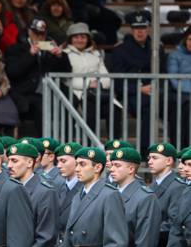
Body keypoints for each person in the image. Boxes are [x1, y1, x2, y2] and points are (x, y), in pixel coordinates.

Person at [4, 18, 70, 133]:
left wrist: (59, 56)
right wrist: (30, 54)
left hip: (50, 90)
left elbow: (67, 71)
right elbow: (12, 72)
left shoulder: (50, 47)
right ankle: (45, 143)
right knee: (42, 104)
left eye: (42, 34)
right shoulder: (16, 48)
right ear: (29, 32)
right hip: (25, 93)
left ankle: (67, 140)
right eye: (36, 33)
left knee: (69, 98)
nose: (39, 37)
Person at [108, 10, 156, 152]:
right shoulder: (120, 50)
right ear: (131, 29)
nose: (139, 32)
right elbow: (117, 80)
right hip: (131, 93)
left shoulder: (155, 48)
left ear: (148, 29)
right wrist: (139, 89)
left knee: (177, 104)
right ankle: (145, 150)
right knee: (147, 106)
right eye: (136, 28)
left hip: (155, 91)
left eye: (143, 28)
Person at [63, 22, 121, 135]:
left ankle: (114, 145)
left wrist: (98, 83)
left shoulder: (95, 53)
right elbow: (66, 79)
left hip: (99, 91)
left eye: (83, 37)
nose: (80, 40)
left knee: (115, 109)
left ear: (88, 39)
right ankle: (90, 145)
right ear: (70, 39)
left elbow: (106, 76)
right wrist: (88, 84)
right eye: (76, 37)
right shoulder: (65, 54)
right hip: (78, 93)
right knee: (90, 108)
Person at [166, 28, 191, 148]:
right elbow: (173, 78)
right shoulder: (175, 55)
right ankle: (182, 147)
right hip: (180, 93)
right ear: (185, 40)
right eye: (190, 39)